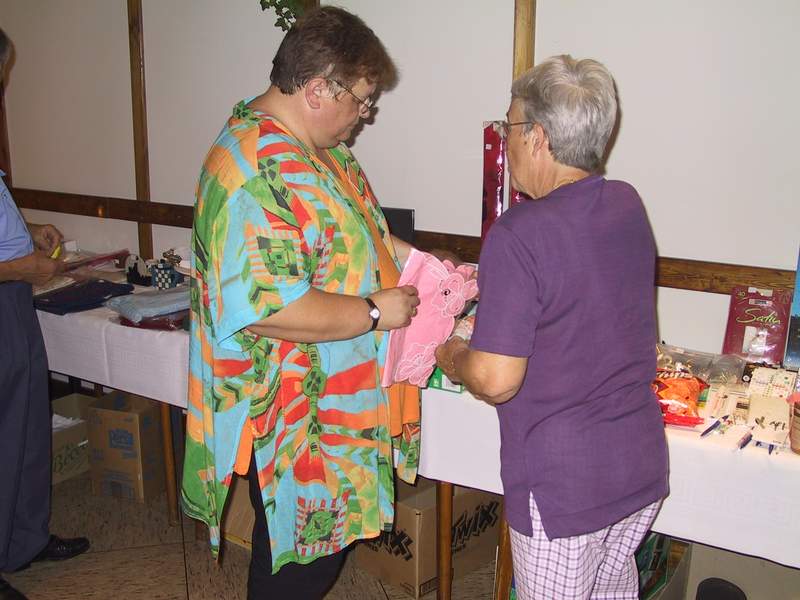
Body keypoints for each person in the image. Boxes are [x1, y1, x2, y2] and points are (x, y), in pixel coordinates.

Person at [181, 7, 422, 599]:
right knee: (297, 565)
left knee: (315, 554)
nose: (364, 115)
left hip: (334, 405)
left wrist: (428, 266)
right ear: (318, 89)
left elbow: (358, 232)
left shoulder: (319, 149)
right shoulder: (255, 167)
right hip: (292, 418)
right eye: (361, 100)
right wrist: (374, 311)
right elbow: (268, 308)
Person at [435, 55, 669, 600]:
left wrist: (451, 352)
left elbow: (496, 380)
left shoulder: (520, 232)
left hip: (566, 486)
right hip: (636, 463)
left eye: (510, 125)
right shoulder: (626, 202)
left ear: (537, 137)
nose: (506, 138)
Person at [0, 29, 90, 600]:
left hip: (13, 301)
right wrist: (20, 266)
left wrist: (26, 231)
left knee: (25, 426)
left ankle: (23, 541)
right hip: (7, 288)